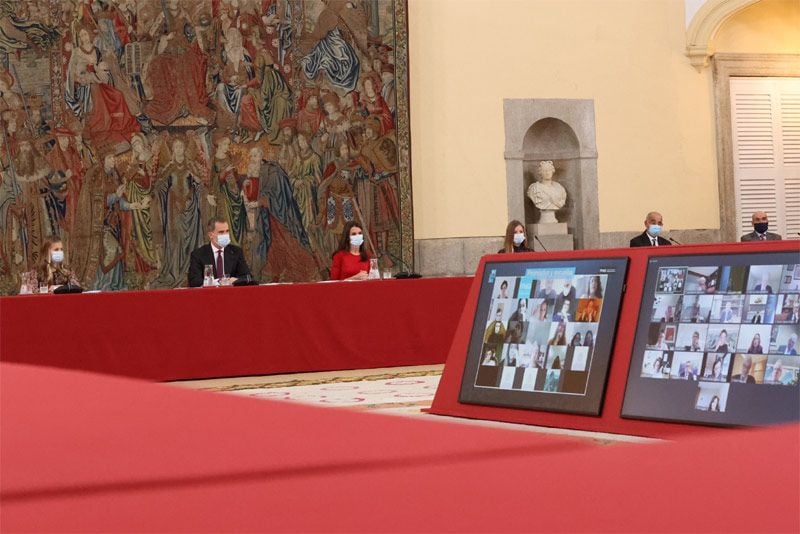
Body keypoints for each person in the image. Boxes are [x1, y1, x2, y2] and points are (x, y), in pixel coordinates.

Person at [188, 218, 252, 287]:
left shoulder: (236, 252)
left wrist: (235, 281)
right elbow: (194, 281)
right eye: (221, 232)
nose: (225, 235)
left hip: (231, 294)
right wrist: (218, 282)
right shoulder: (198, 254)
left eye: (227, 231)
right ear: (210, 235)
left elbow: (247, 277)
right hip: (209, 295)